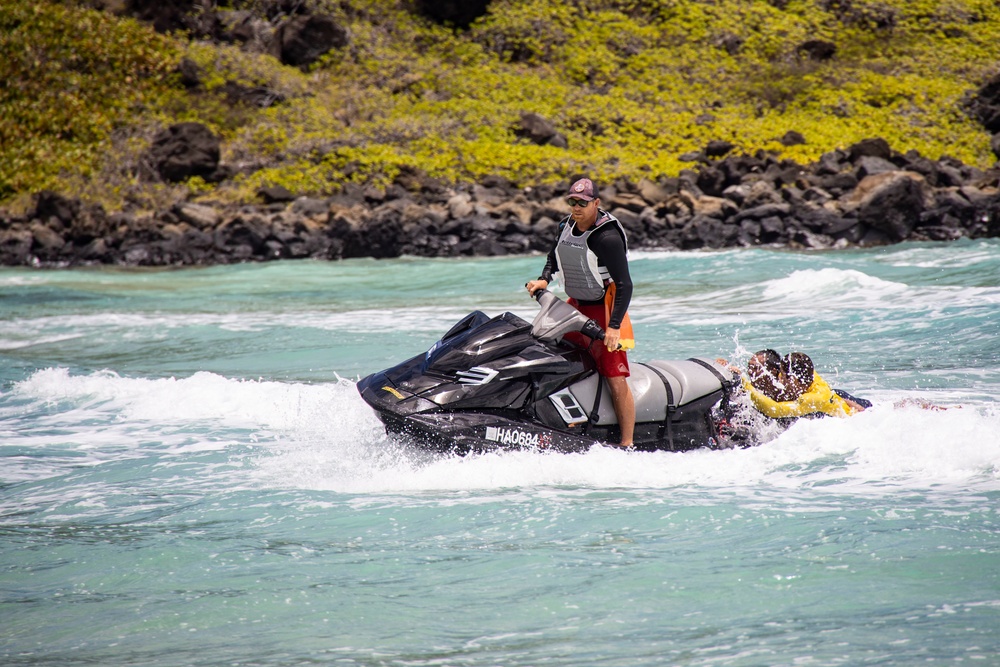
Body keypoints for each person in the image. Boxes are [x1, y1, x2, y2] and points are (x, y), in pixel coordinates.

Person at [525, 177, 636, 449]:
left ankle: (627, 443)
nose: (576, 207)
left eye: (583, 203)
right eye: (572, 202)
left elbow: (625, 285)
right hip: (576, 304)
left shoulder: (606, 237)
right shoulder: (566, 225)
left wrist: (613, 327)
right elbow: (554, 254)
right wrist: (544, 278)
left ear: (595, 203)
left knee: (614, 375)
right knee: (547, 347)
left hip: (605, 310)